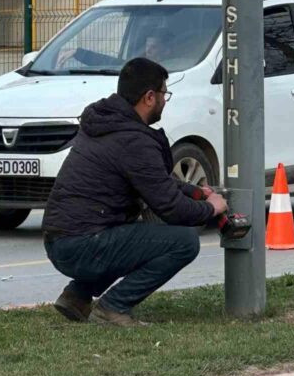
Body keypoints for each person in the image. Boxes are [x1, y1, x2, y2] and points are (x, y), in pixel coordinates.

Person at [42, 57, 227, 326]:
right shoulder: (133, 140)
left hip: (61, 241)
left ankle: (77, 296)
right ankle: (112, 307)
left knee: (134, 236)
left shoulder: (106, 123)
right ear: (149, 97)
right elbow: (171, 208)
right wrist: (212, 208)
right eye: (165, 93)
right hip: (83, 244)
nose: (165, 100)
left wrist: (196, 192)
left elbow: (153, 181)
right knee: (184, 242)